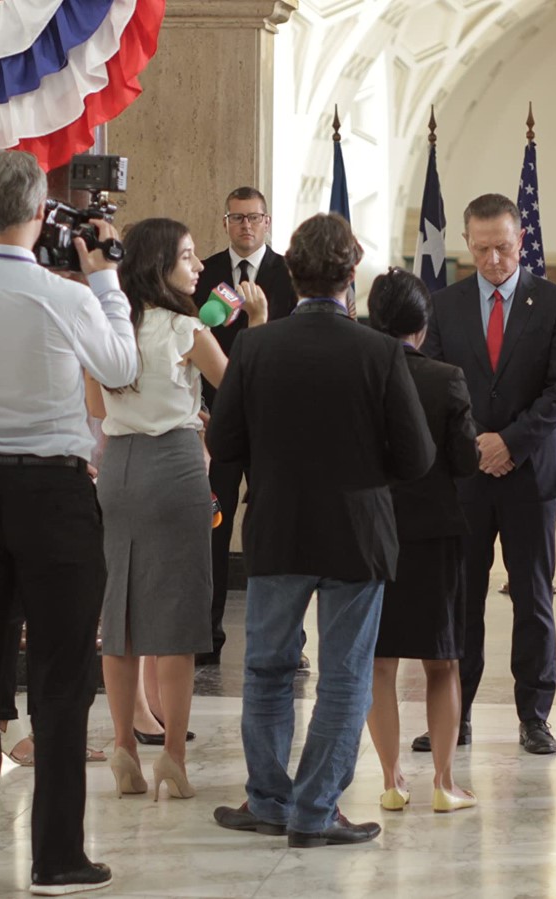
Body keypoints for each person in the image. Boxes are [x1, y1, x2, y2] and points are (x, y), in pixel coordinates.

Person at [0, 151, 136, 895]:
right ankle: (55, 857)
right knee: (60, 671)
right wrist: (105, 278)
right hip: (52, 491)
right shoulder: (66, 296)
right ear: (42, 211)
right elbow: (120, 365)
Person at [207, 213, 434, 849]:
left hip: (278, 525)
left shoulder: (254, 347)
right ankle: (313, 812)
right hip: (355, 534)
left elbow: (224, 442)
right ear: (350, 275)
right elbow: (416, 458)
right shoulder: (381, 350)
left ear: (291, 271)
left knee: (267, 671)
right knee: (343, 676)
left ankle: (271, 801)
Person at [85, 218, 267, 801]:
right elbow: (238, 397)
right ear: (161, 266)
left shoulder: (108, 326)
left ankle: (121, 745)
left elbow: (94, 401)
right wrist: (255, 325)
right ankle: (173, 758)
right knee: (178, 619)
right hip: (176, 466)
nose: (197, 269)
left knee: (122, 616)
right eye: (187, 258)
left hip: (118, 468)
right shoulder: (187, 327)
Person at [420, 193, 556, 755]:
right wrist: (476, 445)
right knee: (459, 597)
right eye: (483, 248)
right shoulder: (444, 304)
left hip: (530, 475)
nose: (494, 260)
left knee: (533, 598)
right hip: (466, 476)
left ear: (522, 240)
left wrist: (509, 443)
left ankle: (534, 716)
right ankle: (454, 715)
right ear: (467, 243)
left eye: (505, 248)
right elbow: (436, 383)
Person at [361, 269, 480, 814]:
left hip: (371, 533)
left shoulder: (357, 375)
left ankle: (390, 779)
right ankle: (443, 781)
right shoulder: (446, 377)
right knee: (442, 662)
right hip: (434, 533)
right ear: (423, 323)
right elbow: (463, 461)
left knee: (378, 663)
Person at [193, 186, 299, 669]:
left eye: (254, 218)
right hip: (214, 422)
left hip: (272, 424)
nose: (246, 227)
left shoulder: (288, 275)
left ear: (268, 222)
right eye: (236, 218)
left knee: (274, 531)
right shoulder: (203, 273)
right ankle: (205, 636)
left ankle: (285, 642)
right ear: (225, 223)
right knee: (211, 529)